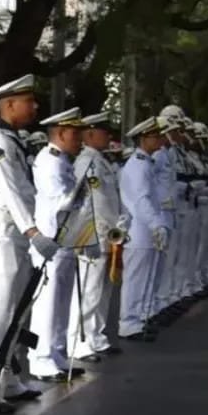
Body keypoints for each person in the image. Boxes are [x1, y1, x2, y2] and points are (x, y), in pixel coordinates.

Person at [0, 75, 57, 414]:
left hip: (12, 232)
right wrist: (33, 232)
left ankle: (7, 379)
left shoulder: (10, 140)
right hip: (0, 231)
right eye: (28, 100)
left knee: (16, 310)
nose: (34, 106)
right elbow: (10, 192)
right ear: (9, 104)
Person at [26, 108, 89, 383]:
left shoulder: (62, 160)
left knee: (62, 299)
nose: (80, 139)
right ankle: (40, 359)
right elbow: (62, 201)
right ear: (61, 134)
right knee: (47, 302)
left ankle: (57, 353)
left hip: (65, 238)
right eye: (75, 134)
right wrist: (80, 194)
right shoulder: (50, 161)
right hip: (51, 239)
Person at [67, 111, 125, 362]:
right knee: (88, 291)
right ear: (89, 134)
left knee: (104, 290)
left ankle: (96, 337)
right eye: (103, 131)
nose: (108, 135)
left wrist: (120, 223)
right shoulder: (85, 162)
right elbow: (78, 201)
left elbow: (110, 199)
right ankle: (78, 342)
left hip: (109, 233)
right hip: (90, 233)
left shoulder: (101, 162)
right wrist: (84, 235)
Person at [118, 117, 170, 342]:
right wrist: (156, 223)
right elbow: (140, 200)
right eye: (155, 136)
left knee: (148, 276)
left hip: (147, 227)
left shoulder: (147, 162)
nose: (160, 140)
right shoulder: (138, 164)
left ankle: (141, 319)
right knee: (136, 278)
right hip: (140, 228)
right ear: (143, 139)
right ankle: (128, 323)